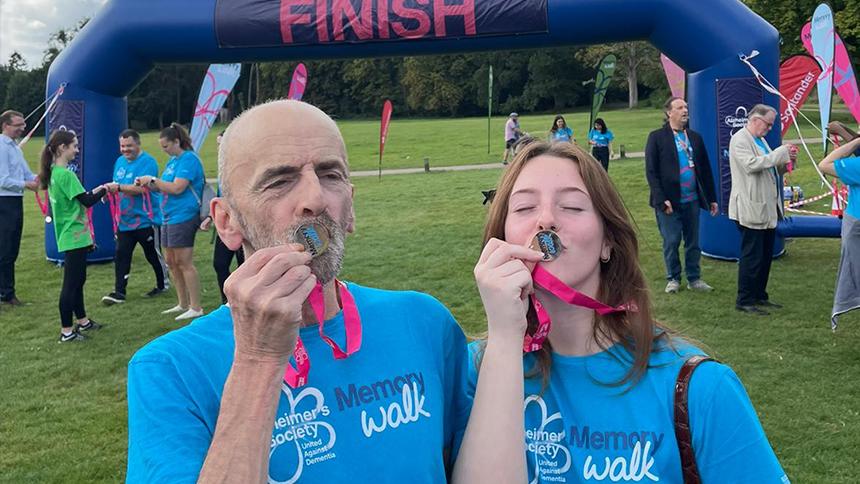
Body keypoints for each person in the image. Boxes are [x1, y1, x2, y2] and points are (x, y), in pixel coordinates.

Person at [125, 100, 471, 483]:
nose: (316, 199)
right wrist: (257, 360)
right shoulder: (169, 370)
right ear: (226, 222)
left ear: (350, 207)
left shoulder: (424, 323)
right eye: (279, 180)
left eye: (330, 174)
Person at [453, 141, 788, 483]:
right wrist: (505, 335)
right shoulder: (468, 375)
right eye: (524, 207)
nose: (546, 219)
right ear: (502, 236)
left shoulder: (700, 388)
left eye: (571, 206)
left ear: (607, 242)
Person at [38, 130, 107, 342]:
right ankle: (67, 331)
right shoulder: (65, 175)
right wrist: (106, 189)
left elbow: (80, 198)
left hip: (74, 234)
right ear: (62, 148)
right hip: (73, 236)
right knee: (71, 284)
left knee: (79, 280)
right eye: (74, 146)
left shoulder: (54, 173)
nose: (76, 150)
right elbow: (87, 201)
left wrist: (97, 191)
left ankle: (83, 321)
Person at [645, 97, 719, 294]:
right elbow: (651, 172)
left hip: (692, 200)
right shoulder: (657, 137)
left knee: (693, 241)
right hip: (669, 202)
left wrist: (711, 198)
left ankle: (694, 278)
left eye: (686, 107)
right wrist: (661, 199)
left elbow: (705, 170)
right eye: (680, 107)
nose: (685, 110)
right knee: (672, 241)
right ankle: (674, 278)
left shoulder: (694, 137)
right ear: (669, 112)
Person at [728, 104, 796, 315]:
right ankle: (744, 299)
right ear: (755, 119)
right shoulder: (740, 139)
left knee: (766, 254)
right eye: (768, 123)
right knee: (752, 256)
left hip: (767, 207)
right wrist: (779, 153)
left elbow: (772, 168)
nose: (769, 128)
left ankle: (759, 294)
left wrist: (787, 161)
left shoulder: (761, 140)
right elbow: (751, 165)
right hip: (750, 207)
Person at [135, 123, 205, 321]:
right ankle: (182, 303)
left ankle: (196, 306)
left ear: (176, 142)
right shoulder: (173, 161)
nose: (164, 150)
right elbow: (165, 187)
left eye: (166, 146)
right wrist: (149, 184)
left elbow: (177, 188)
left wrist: (154, 181)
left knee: (184, 262)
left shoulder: (188, 159)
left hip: (183, 215)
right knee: (172, 262)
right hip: (168, 216)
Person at [101, 129, 167, 305]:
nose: (125, 149)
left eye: (129, 145)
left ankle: (163, 285)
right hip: (124, 221)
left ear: (138, 144)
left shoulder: (148, 162)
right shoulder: (119, 162)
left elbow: (141, 190)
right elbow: (117, 185)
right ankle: (119, 292)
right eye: (122, 146)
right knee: (121, 255)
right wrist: (109, 193)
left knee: (152, 255)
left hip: (147, 219)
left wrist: (119, 188)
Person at [818, 136, 860, 328]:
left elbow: (824, 164)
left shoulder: (857, 166)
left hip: (856, 225)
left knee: (854, 273)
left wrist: (854, 142)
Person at [200, 130, 244, 304]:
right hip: (226, 224)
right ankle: (226, 302)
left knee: (245, 264)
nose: (220, 149)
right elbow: (220, 197)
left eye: (222, 144)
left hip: (243, 224)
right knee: (220, 263)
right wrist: (211, 218)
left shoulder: (244, 168)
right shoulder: (223, 170)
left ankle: (245, 301)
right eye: (218, 145)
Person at [0, 110, 39, 306]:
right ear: (6, 126)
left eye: (23, 124)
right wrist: (26, 185)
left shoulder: (15, 148)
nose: (22, 128)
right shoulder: (1, 147)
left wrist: (39, 178)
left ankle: (5, 291)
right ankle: (7, 293)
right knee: (6, 248)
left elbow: (26, 173)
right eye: (18, 125)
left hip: (15, 201)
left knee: (12, 247)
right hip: (4, 201)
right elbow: (3, 180)